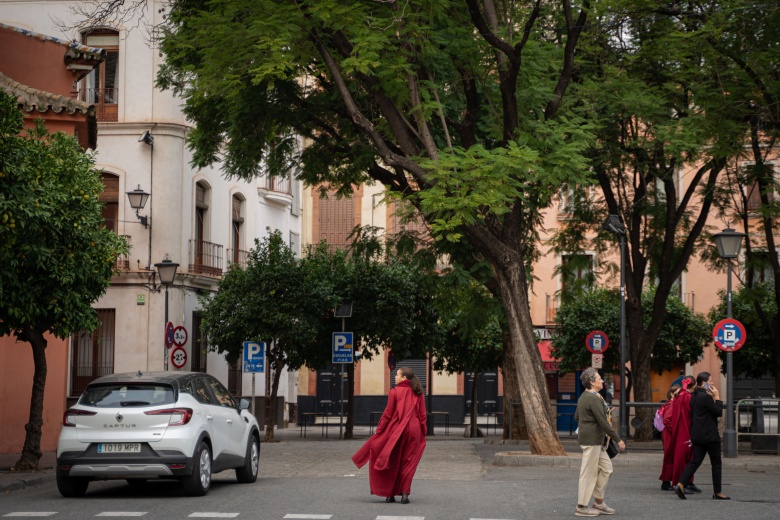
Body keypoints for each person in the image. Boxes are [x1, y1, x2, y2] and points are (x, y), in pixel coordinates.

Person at [352, 367, 427, 504]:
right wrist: (423, 432)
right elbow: (422, 416)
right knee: (408, 462)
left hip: (396, 431)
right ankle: (405, 495)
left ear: (404, 378)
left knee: (392, 461)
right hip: (414, 431)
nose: (395, 377)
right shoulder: (418, 393)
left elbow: (387, 414)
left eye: (397, 375)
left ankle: (390, 494)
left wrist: (378, 431)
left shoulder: (394, 392)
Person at [574, 367, 626, 517]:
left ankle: (598, 502)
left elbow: (578, 416)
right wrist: (618, 440)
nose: (602, 380)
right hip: (592, 441)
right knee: (588, 474)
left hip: (595, 441)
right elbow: (603, 423)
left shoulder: (585, 397)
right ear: (592, 382)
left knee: (606, 469)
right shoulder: (594, 398)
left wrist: (605, 413)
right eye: (599, 378)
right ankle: (582, 506)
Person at [675, 372, 730, 500]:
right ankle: (717, 492)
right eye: (710, 381)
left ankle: (680, 484)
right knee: (716, 463)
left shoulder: (694, 396)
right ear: (703, 383)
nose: (712, 383)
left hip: (697, 435)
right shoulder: (705, 397)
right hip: (710, 436)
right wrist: (717, 397)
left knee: (695, 461)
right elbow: (718, 412)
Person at [670, 375, 701, 493]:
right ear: (694, 385)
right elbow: (692, 414)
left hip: (680, 429)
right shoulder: (687, 397)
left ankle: (687, 481)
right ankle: (681, 483)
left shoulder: (680, 395)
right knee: (685, 457)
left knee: (686, 457)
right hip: (687, 429)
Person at [659, 385, 681, 490]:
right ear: (672, 394)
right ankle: (666, 482)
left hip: (668, 433)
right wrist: (676, 430)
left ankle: (667, 481)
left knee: (670, 457)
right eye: (677, 393)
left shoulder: (670, 405)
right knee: (669, 457)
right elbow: (667, 420)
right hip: (669, 434)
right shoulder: (671, 405)